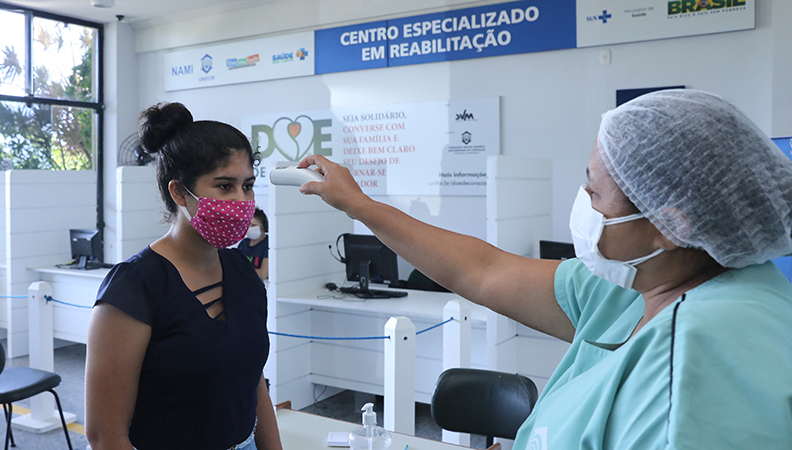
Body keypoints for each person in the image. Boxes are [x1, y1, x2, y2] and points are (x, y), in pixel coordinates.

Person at [296, 90, 792, 448]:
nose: (582, 203)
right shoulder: (633, 284)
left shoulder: (701, 360)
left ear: (670, 223)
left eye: (594, 192)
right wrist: (357, 204)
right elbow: (483, 271)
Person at [85, 102, 282, 450]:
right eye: (224, 186)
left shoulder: (242, 272)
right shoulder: (134, 287)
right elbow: (106, 437)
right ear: (179, 193)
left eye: (247, 186)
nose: (241, 200)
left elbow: (253, 382)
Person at [237, 208, 270, 280]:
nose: (249, 228)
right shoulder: (243, 243)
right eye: (247, 225)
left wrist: (242, 271)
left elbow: (263, 274)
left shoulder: (268, 244)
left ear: (263, 226)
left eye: (253, 225)